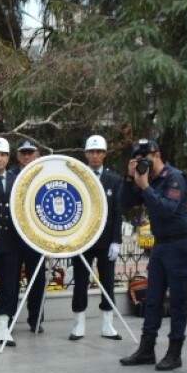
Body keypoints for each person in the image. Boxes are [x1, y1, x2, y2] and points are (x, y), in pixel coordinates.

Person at [118, 139, 187, 370]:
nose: (144, 162)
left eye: (146, 157)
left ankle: (174, 352)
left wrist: (144, 186)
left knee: (179, 301)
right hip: (161, 245)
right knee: (152, 300)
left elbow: (166, 209)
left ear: (158, 155)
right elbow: (124, 202)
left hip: (180, 244)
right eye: (138, 158)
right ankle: (146, 348)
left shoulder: (174, 178)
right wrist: (129, 178)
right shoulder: (146, 180)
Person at [0, 137, 43, 346]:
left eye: (3, 155)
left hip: (12, 242)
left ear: (8, 158)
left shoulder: (20, 180)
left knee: (10, 284)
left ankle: (3, 325)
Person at [70, 135, 125, 341]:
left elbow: (118, 212)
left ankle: (108, 325)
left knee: (108, 282)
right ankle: (78, 324)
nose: (95, 156)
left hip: (105, 241)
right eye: (91, 152)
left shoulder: (114, 179)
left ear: (104, 154)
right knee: (80, 281)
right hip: (82, 240)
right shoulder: (77, 176)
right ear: (85, 154)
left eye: (99, 152)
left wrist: (116, 240)